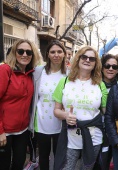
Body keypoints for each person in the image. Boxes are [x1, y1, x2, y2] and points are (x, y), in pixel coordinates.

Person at [53, 46, 108, 170]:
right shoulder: (64, 81)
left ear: (95, 63)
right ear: (78, 59)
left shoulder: (100, 84)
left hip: (94, 137)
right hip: (70, 136)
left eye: (92, 59)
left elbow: (106, 112)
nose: (87, 60)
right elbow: (56, 110)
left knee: (87, 168)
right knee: (66, 167)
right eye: (84, 57)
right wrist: (66, 115)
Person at [0, 39, 40, 170]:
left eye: (29, 52)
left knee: (19, 163)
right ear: (14, 52)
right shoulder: (5, 70)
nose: (25, 55)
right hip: (5, 131)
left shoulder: (31, 74)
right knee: (3, 165)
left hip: (22, 130)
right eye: (20, 51)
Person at [28, 40, 66, 170]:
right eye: (53, 52)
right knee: (43, 155)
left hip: (61, 123)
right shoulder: (38, 71)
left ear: (64, 54)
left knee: (59, 155)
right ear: (48, 55)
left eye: (59, 51)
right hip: (41, 120)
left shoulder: (70, 74)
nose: (56, 55)